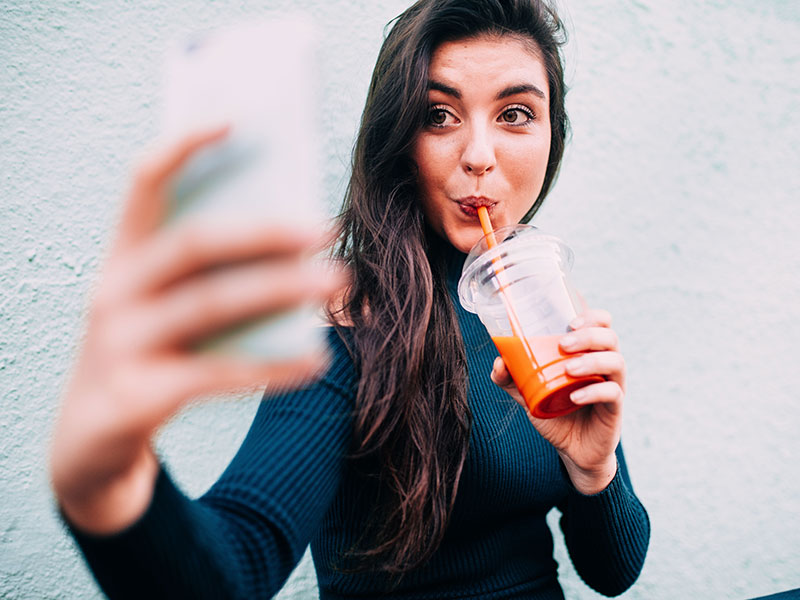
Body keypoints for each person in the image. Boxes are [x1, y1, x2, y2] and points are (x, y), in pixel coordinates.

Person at [50, 0, 650, 598]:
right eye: (438, 116)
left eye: (516, 114)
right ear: (399, 138)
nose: (478, 155)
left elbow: (613, 573)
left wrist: (595, 471)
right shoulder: (350, 328)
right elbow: (230, 568)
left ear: (554, 133)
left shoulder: (549, 303)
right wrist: (108, 480)